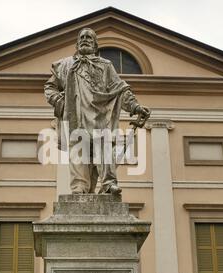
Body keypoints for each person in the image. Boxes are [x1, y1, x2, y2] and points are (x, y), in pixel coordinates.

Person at [44, 27, 150, 194]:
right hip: (76, 116)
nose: (85, 39)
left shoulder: (105, 66)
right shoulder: (64, 65)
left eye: (89, 37)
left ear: (95, 45)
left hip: (100, 116)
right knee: (78, 151)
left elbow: (120, 89)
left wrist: (135, 107)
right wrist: (58, 100)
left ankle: (108, 183)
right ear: (77, 43)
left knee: (103, 148)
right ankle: (79, 188)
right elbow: (50, 87)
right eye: (82, 37)